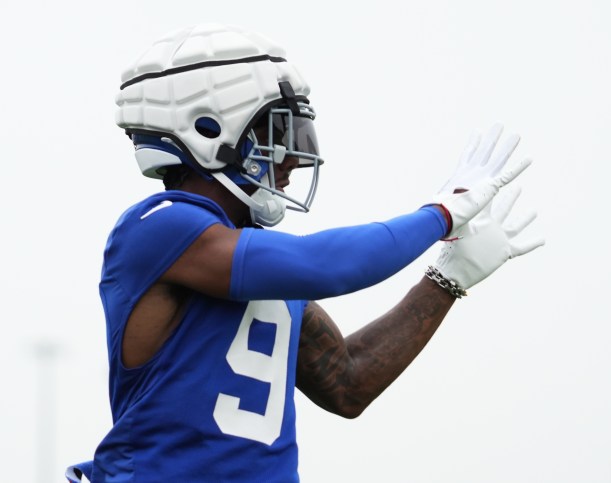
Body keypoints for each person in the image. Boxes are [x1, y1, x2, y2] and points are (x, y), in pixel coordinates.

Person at [67, 23, 543, 482]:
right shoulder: (161, 226)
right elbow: (328, 266)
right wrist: (439, 214)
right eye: (278, 133)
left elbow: (347, 383)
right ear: (208, 130)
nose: (294, 157)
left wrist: (447, 279)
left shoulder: (251, 260)